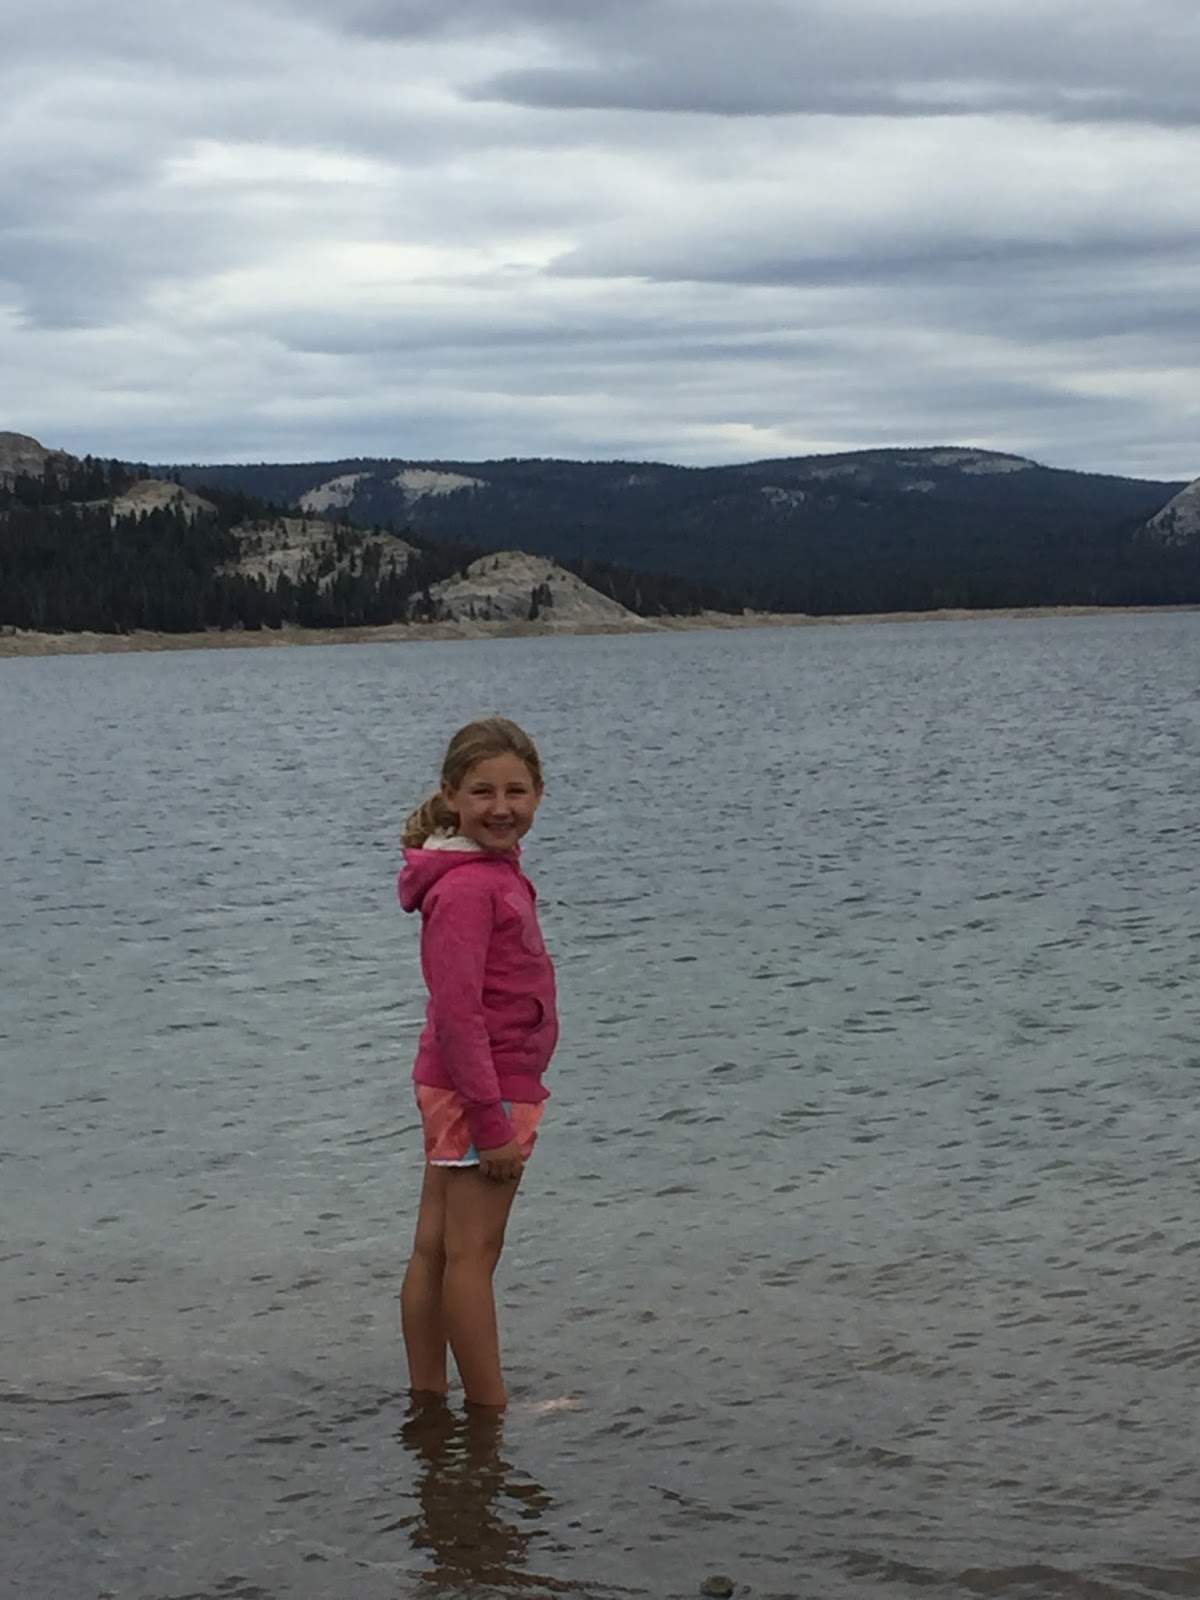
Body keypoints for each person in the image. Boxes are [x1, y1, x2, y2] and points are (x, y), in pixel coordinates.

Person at [397, 717, 558, 1410]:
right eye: (483, 791)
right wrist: (491, 1123)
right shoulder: (467, 890)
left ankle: (429, 1399)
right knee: (472, 1255)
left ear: (540, 795)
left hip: (462, 1085)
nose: (501, 807)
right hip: (480, 1090)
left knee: (437, 1248)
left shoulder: (486, 872)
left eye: (516, 791)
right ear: (452, 796)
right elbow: (460, 1012)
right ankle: (492, 1410)